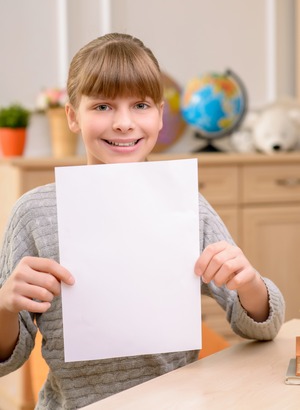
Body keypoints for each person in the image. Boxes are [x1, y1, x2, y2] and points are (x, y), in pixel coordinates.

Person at [0, 33, 285, 409]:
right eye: (102, 106)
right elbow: (8, 358)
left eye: (140, 105)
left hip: (177, 403)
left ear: (160, 115)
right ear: (72, 116)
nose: (123, 123)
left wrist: (248, 282)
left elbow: (262, 324)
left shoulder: (186, 205)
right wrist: (5, 305)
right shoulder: (33, 213)